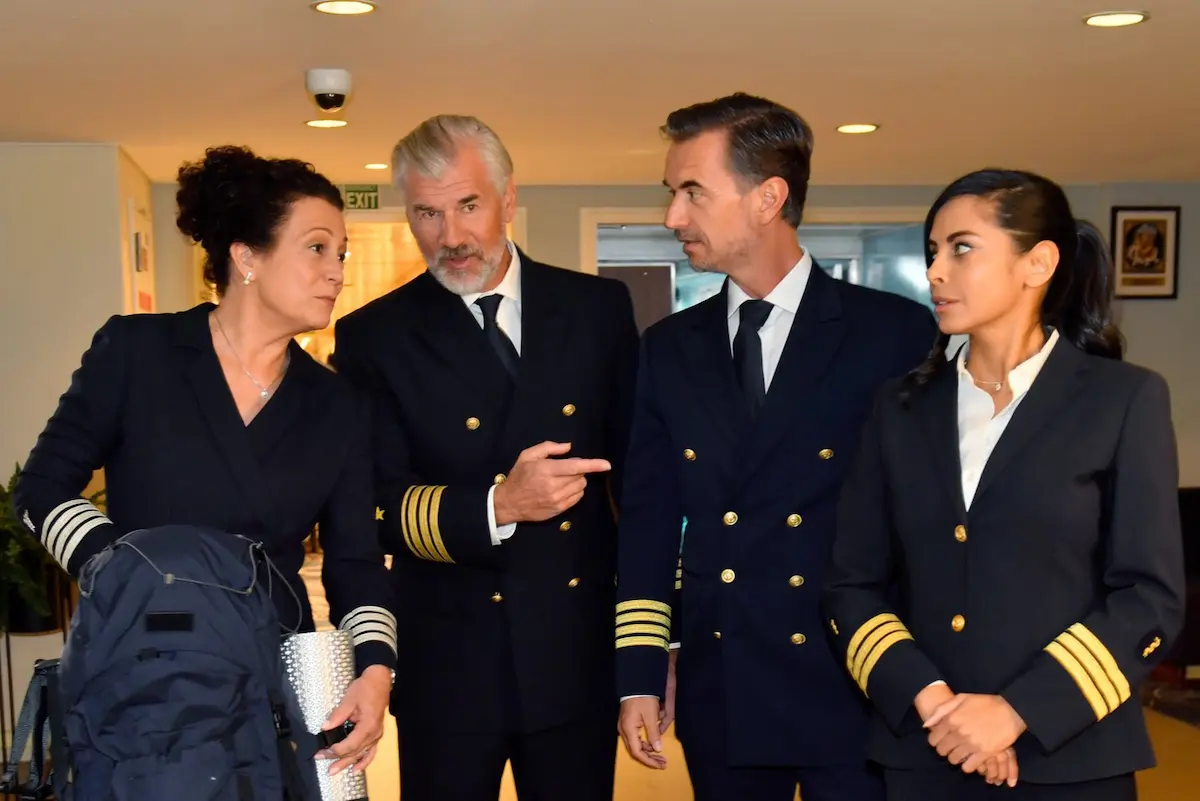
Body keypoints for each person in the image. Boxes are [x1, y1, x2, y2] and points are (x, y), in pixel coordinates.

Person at [13, 145, 397, 778]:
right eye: (317, 248)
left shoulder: (339, 405)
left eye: (342, 254)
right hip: (144, 675)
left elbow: (356, 561)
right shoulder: (138, 354)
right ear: (247, 257)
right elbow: (42, 489)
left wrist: (377, 669)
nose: (337, 272)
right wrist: (126, 575)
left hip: (270, 684)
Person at [819, 168, 1186, 801]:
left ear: (1038, 262)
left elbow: (1148, 597)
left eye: (961, 248)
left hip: (1072, 757)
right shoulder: (898, 408)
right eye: (932, 251)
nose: (935, 271)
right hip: (925, 754)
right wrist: (939, 709)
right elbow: (852, 583)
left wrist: (1016, 712)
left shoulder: (1122, 399)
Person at [614, 92, 937, 801]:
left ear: (769, 197)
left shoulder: (895, 335)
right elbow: (646, 521)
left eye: (693, 192)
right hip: (723, 681)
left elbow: (931, 522)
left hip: (857, 683)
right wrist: (640, 669)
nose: (673, 216)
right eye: (672, 194)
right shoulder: (669, 348)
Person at [330, 114, 639, 801]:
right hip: (449, 667)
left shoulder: (597, 310)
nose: (452, 236)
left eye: (469, 205)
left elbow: (639, 488)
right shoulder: (374, 336)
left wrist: (650, 647)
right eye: (427, 214)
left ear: (509, 197)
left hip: (575, 656)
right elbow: (373, 506)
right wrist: (498, 504)